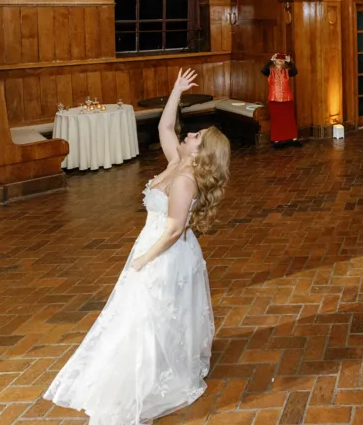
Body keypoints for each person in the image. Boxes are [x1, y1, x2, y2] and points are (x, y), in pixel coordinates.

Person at [44, 68, 231, 423]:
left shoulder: (186, 180)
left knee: (150, 312)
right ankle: (147, 361)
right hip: (154, 244)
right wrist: (175, 90)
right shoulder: (177, 162)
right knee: (145, 312)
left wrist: (144, 258)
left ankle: (155, 370)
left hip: (165, 252)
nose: (188, 134)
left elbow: (174, 229)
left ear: (201, 153)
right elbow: (164, 128)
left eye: (195, 136)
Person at [262, 53, 301, 149]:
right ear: (275, 61)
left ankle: (293, 139)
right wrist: (271, 60)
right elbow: (263, 71)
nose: (280, 60)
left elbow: (295, 71)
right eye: (278, 59)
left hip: (287, 98)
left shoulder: (287, 72)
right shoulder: (270, 71)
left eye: (282, 59)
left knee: (289, 119)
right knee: (276, 120)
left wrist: (290, 61)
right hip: (274, 98)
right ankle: (276, 140)